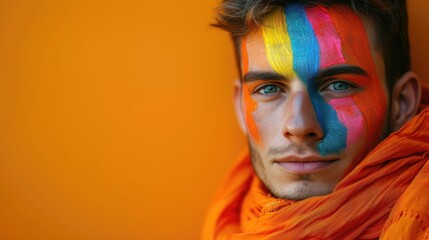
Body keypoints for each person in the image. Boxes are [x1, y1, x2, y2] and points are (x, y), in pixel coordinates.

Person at [202, 0, 429, 239]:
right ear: (240, 106)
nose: (299, 126)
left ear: (401, 103)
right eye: (269, 89)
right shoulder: (227, 219)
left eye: (338, 85)